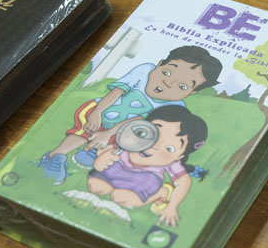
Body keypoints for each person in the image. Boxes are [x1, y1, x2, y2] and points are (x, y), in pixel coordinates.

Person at [38, 45, 221, 184]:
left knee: (128, 140)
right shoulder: (144, 71)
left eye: (182, 86)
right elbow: (116, 92)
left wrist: (108, 134)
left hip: (124, 128)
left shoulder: (176, 104)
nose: (168, 83)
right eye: (166, 72)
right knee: (85, 131)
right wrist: (98, 112)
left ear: (192, 92)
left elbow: (140, 121)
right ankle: (56, 156)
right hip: (100, 110)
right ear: (159, 65)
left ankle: (93, 152)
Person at [88, 105, 208, 228]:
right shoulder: (131, 139)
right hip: (116, 169)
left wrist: (172, 206)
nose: (155, 145)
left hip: (144, 179)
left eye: (170, 148)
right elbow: (103, 154)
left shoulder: (173, 163)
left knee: (122, 199)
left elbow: (184, 181)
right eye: (154, 133)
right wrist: (101, 159)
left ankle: (162, 192)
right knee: (94, 186)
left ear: (180, 156)